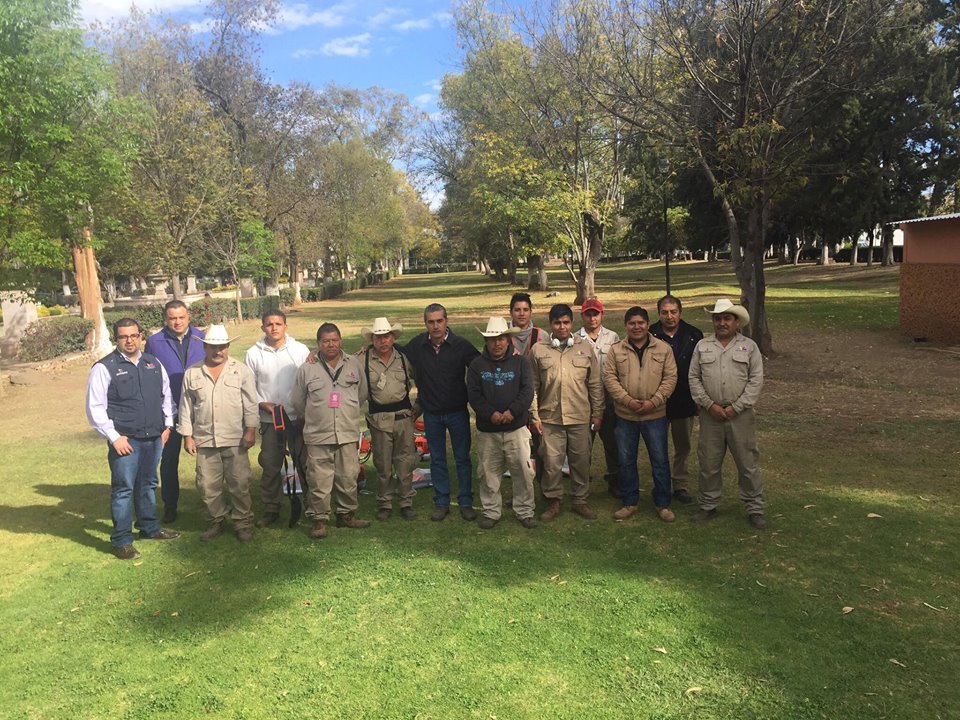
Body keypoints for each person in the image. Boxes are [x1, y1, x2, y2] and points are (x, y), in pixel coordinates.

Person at [86, 318, 181, 560]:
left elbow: (166, 396)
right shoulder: (104, 367)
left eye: (134, 335)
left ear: (141, 337)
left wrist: (168, 425)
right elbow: (95, 408)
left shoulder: (153, 362)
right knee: (123, 490)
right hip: (125, 441)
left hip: (154, 437)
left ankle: (149, 528)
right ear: (116, 339)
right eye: (123, 336)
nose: (130, 340)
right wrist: (114, 437)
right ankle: (121, 540)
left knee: (148, 484)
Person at [688, 299, 767, 529]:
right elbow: (693, 378)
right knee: (709, 463)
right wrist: (709, 405)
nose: (722, 322)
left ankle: (755, 508)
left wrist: (736, 407)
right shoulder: (702, 346)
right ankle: (708, 505)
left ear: (736, 321)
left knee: (747, 462)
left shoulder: (749, 347)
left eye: (726, 318)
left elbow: (756, 381)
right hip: (710, 415)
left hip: (740, 416)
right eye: (717, 318)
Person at [178, 325, 259, 543]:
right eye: (213, 347)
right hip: (204, 438)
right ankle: (217, 520)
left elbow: (251, 403)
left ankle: (242, 523)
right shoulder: (192, 372)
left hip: (235, 438)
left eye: (222, 347)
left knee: (240, 483)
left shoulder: (240, 370)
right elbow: (185, 406)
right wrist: (187, 435)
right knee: (207, 485)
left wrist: (251, 429)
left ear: (228, 346)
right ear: (205, 347)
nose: (218, 351)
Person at [401, 304, 480, 522]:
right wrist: (367, 351)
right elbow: (394, 351)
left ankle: (465, 501)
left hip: (457, 412)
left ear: (447, 321)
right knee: (437, 459)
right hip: (432, 413)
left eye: (439, 321)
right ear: (425, 323)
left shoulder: (461, 345)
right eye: (430, 322)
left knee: (462, 458)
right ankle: (442, 502)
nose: (435, 326)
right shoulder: (418, 345)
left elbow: (481, 365)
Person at [291, 323, 370, 539]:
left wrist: (347, 410)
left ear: (340, 341)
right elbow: (298, 401)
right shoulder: (308, 368)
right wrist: (315, 415)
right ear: (318, 344)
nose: (331, 344)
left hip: (347, 431)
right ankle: (319, 519)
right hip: (318, 433)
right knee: (318, 478)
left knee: (348, 475)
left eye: (334, 340)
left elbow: (362, 393)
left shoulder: (353, 364)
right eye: (326, 341)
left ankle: (346, 515)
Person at [529, 303, 604, 521]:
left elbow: (595, 384)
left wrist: (597, 413)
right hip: (550, 417)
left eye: (566, 322)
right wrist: (534, 416)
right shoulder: (539, 350)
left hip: (580, 416)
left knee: (580, 461)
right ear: (550, 324)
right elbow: (532, 386)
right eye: (557, 323)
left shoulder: (585, 347)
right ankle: (553, 500)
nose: (562, 327)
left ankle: (580, 500)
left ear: (571, 323)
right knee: (551, 463)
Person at [603, 307, 678, 522]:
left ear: (647, 324)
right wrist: (627, 400)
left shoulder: (663, 349)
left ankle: (663, 503)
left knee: (660, 460)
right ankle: (629, 501)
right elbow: (610, 378)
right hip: (625, 416)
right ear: (626, 326)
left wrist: (654, 402)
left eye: (641, 323)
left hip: (655, 416)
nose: (637, 327)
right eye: (632, 323)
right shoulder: (616, 350)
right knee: (626, 460)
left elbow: (670, 378)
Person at [467, 317, 538, 530]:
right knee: (488, 473)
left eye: (501, 339)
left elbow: (527, 392)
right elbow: (474, 394)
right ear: (486, 341)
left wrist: (511, 412)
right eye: (492, 339)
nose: (497, 344)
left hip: (516, 429)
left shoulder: (521, 363)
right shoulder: (477, 365)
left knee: (523, 472)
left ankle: (525, 510)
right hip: (488, 431)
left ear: (508, 340)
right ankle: (491, 511)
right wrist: (491, 414)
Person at [244, 310, 311, 528]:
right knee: (271, 465)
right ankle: (272, 508)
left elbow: (309, 383)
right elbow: (248, 389)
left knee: (305, 463)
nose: (274, 328)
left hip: (297, 419)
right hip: (269, 419)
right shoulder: (253, 353)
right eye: (269, 324)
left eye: (278, 324)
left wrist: (303, 413)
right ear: (263, 327)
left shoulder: (300, 350)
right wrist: (263, 404)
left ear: (286, 326)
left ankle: (312, 506)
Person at [145, 300, 206, 523]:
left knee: (209, 458)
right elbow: (149, 375)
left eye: (181, 317)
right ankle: (170, 505)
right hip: (169, 411)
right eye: (172, 318)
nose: (177, 322)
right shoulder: (154, 342)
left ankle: (214, 502)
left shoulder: (202, 337)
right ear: (166, 319)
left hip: (200, 409)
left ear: (188, 316)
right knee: (169, 461)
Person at [359, 317, 418, 522]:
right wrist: (314, 355)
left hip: (403, 418)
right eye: (378, 338)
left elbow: (422, 379)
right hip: (379, 419)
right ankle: (384, 502)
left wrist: (418, 407)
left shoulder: (404, 357)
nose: (383, 341)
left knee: (405, 462)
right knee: (383, 465)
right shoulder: (363, 359)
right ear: (372, 340)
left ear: (393, 338)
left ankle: (405, 502)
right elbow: (339, 362)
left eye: (387, 337)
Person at [649, 295, 704, 505]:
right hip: (657, 400)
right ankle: (660, 484)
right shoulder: (650, 334)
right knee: (657, 446)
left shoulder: (693, 335)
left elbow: (701, 368)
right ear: (659, 313)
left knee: (683, 446)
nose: (669, 316)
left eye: (673, 312)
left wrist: (699, 398)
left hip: (684, 400)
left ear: (680, 312)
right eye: (664, 312)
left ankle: (680, 484)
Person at [578, 297, 621, 496]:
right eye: (588, 314)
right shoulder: (575, 339)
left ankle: (614, 479)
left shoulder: (613, 338)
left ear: (602, 315)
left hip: (609, 401)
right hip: (583, 402)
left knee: (612, 443)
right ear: (582, 316)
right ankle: (581, 482)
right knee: (583, 446)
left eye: (596, 314)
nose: (592, 318)